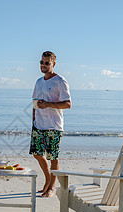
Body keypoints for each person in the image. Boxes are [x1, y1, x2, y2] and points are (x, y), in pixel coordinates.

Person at [30, 51, 71, 198]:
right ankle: (48, 179)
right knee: (37, 154)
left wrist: (48, 104)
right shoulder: (39, 82)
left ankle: (51, 188)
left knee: (53, 157)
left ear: (53, 63)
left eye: (47, 63)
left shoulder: (60, 81)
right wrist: (33, 122)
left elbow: (68, 104)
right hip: (38, 125)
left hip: (54, 126)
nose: (43, 65)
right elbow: (34, 103)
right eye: (42, 62)